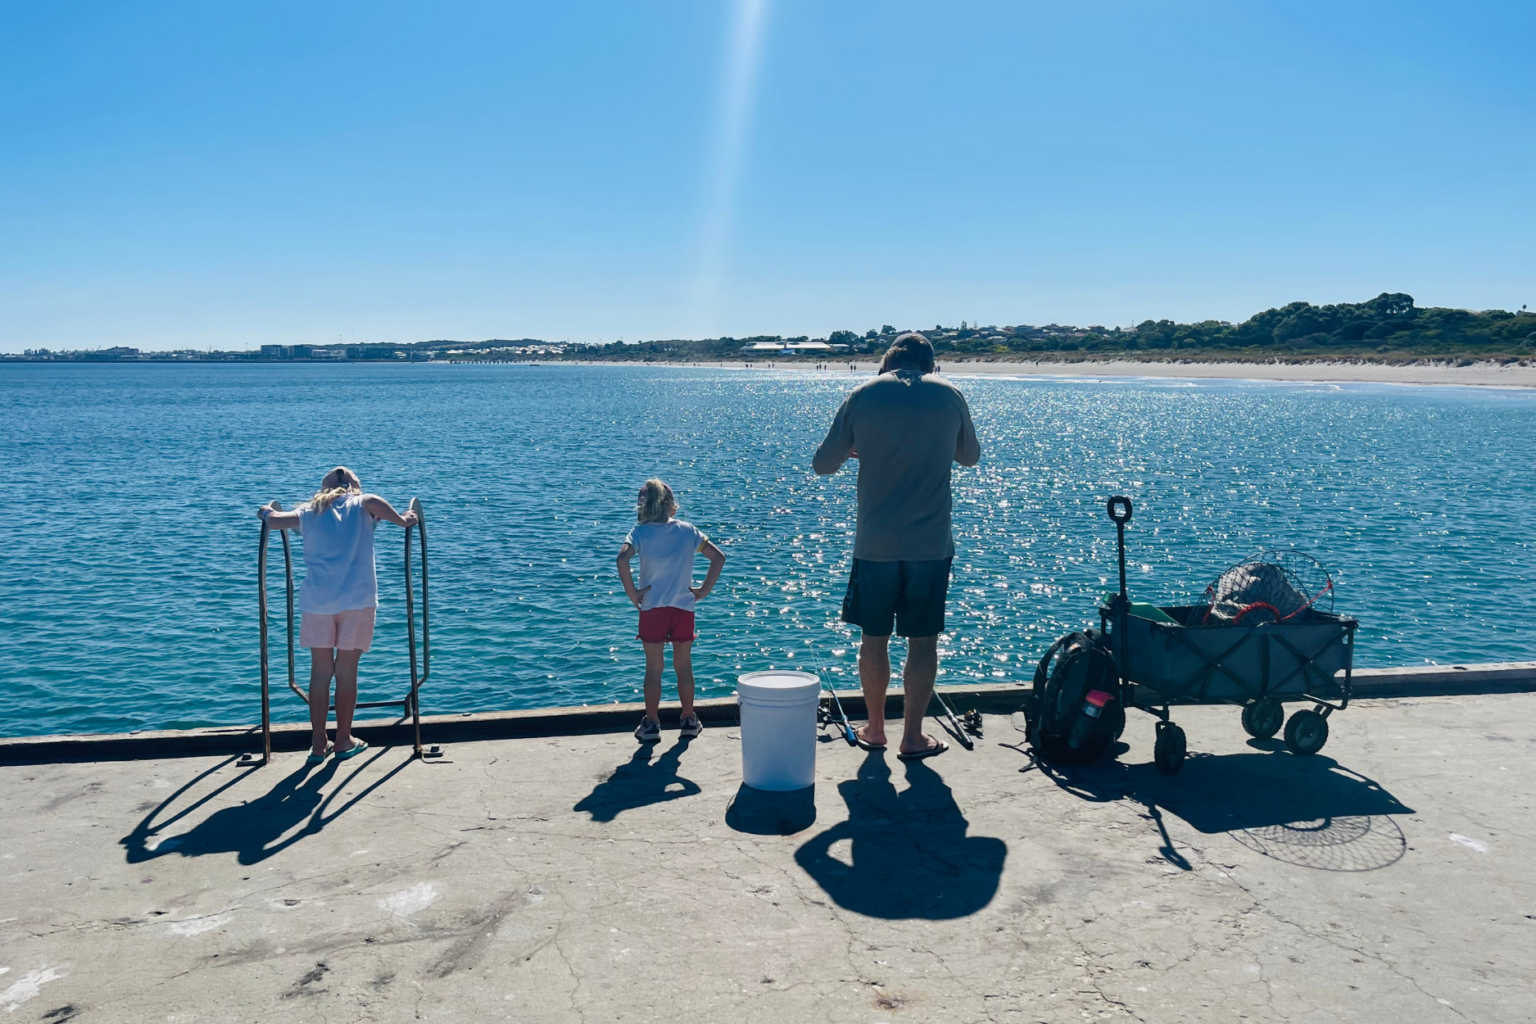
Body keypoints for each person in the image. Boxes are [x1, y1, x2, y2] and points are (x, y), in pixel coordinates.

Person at [812, 333, 980, 760]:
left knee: (874, 639)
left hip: (876, 543)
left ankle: (874, 729)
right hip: (930, 543)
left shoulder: (862, 394)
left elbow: (822, 464)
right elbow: (970, 456)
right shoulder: (950, 394)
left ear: (886, 363)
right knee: (922, 641)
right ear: (931, 365)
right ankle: (912, 737)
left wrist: (858, 447)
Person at [257, 467, 418, 765]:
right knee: (346, 671)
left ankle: (319, 743)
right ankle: (344, 739)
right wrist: (404, 519)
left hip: (317, 603)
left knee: (320, 672)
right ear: (354, 487)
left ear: (322, 489)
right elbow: (383, 507)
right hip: (358, 601)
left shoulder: (308, 512)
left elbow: (275, 520)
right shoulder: (364, 504)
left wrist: (265, 511)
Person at [616, 479, 727, 743]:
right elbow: (718, 557)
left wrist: (633, 593)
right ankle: (688, 719)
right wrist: (704, 590)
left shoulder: (639, 533)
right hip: (683, 608)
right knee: (684, 666)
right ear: (671, 506)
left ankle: (652, 724)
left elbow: (622, 559)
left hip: (652, 608)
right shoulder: (688, 530)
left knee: (654, 667)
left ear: (642, 508)